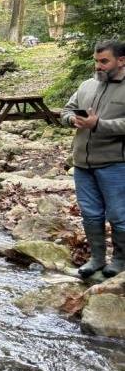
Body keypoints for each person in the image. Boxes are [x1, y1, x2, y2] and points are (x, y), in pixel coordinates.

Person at [62, 40, 125, 279]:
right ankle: (97, 258)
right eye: (96, 61)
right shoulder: (87, 85)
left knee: (119, 215)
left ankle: (120, 260)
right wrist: (72, 120)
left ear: (121, 61)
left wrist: (98, 124)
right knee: (90, 214)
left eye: (104, 61)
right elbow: (66, 110)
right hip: (82, 164)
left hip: (115, 163)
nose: (98, 66)